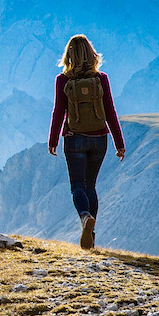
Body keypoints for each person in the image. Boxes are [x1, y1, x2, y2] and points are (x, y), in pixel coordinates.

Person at [47, 34, 125, 250]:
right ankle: (91, 236)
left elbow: (58, 112)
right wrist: (119, 142)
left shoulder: (63, 80)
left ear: (69, 55)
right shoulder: (101, 78)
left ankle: (84, 218)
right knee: (91, 185)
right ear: (91, 54)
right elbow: (110, 111)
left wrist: (53, 140)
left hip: (74, 139)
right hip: (100, 138)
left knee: (78, 186)